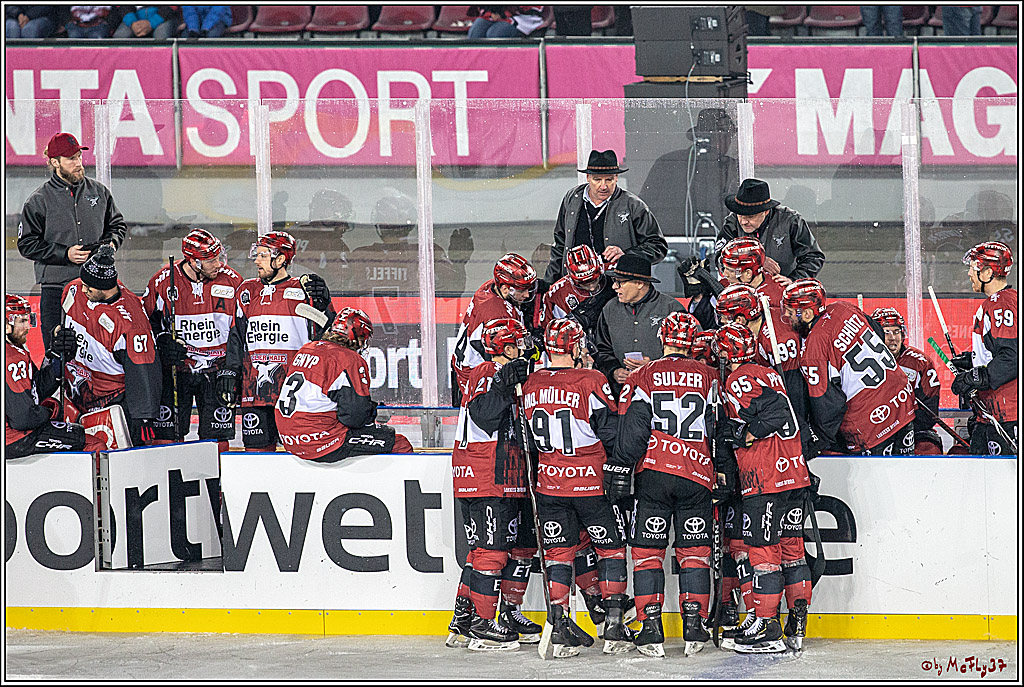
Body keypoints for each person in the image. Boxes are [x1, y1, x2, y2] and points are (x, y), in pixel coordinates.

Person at [607, 311, 730, 658]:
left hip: (654, 476)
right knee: (695, 555)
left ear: (663, 339)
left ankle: (650, 630)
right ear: (693, 343)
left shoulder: (644, 374)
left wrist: (620, 467)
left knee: (647, 557)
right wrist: (721, 470)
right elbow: (716, 427)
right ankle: (694, 629)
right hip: (697, 476)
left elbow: (634, 427)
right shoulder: (709, 376)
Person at [522, 318, 631, 657]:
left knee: (559, 554)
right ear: (572, 347)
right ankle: (613, 624)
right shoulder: (591, 379)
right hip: (591, 481)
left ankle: (560, 621)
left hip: (550, 483)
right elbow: (608, 429)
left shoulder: (531, 382)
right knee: (610, 549)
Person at [715, 323, 812, 653]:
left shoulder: (740, 377)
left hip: (766, 477)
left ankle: (768, 626)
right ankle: (796, 624)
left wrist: (746, 434)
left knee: (763, 552)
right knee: (791, 550)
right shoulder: (768, 371)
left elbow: (778, 412)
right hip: (793, 474)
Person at [447, 318, 540, 651]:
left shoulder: (503, 374)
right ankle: (483, 625)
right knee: (492, 551)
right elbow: (484, 416)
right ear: (508, 347)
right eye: (520, 343)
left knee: (520, 548)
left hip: (507, 475)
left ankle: (474, 614)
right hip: (488, 473)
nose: (527, 349)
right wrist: (503, 382)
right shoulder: (486, 372)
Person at [218, 231, 334, 452]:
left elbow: (328, 334)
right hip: (255, 392)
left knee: (300, 453)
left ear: (280, 259)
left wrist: (324, 304)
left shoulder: (304, 290)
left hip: (294, 391)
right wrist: (231, 371)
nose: (256, 260)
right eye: (256, 254)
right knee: (256, 454)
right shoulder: (246, 290)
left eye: (262, 255)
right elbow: (237, 336)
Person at [17, 132, 127, 351]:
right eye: (71, 159)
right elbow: (26, 243)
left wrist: (111, 244)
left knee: (102, 350)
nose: (78, 163)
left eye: (79, 157)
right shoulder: (38, 201)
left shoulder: (99, 192)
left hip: (98, 286)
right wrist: (64, 254)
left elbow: (117, 225)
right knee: (56, 352)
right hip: (57, 288)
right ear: (54, 162)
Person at [781, 278, 915, 456]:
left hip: (872, 422)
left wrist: (814, 441)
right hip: (902, 400)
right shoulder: (843, 307)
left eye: (791, 312)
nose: (788, 317)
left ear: (806, 314)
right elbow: (878, 331)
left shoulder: (814, 347)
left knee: (880, 483)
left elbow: (826, 404)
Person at [142, 229, 242, 451]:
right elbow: (145, 324)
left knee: (216, 439)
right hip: (177, 369)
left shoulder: (232, 281)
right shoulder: (162, 281)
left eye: (219, 257)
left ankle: (216, 484)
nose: (219, 264)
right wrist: (162, 340)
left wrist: (232, 368)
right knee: (167, 436)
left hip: (217, 369)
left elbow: (241, 328)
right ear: (195, 262)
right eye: (211, 260)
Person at [274, 308, 413, 462]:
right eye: (363, 338)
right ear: (358, 336)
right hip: (320, 441)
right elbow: (355, 417)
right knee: (399, 443)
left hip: (288, 440)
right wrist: (371, 411)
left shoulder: (307, 348)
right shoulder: (349, 359)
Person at [60, 247, 162, 447]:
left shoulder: (131, 323)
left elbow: (144, 371)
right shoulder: (73, 289)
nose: (82, 290)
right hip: (75, 395)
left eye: (88, 287)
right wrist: (57, 339)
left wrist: (143, 416)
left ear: (104, 287)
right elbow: (59, 325)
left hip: (111, 403)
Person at [5, 295, 106, 459]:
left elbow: (36, 389)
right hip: (15, 439)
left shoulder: (15, 351)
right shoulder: (12, 358)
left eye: (28, 320)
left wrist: (57, 360)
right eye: (21, 321)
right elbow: (23, 419)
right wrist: (49, 412)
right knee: (93, 444)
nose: (28, 327)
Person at [546, 150, 667, 284]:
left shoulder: (633, 205)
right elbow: (560, 245)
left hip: (615, 289)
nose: (603, 186)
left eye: (609, 179)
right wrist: (550, 283)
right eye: (597, 179)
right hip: (575, 287)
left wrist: (626, 255)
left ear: (616, 178)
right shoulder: (572, 198)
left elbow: (658, 247)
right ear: (588, 178)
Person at [950, 242, 1017, 455]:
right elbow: (998, 350)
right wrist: (973, 360)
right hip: (991, 413)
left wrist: (974, 377)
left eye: (974, 268)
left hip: (1006, 415)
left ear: (988, 272)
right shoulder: (1004, 301)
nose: (969, 273)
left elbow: (1011, 357)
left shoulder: (1000, 304)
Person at [342, 190, 472, 296]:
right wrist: (459, 263)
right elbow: (454, 290)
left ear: (377, 222)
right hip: (414, 324)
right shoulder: (427, 252)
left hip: (368, 326)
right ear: (411, 223)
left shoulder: (360, 255)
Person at [451, 253, 536, 406]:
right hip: (478, 378)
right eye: (522, 290)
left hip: (468, 368)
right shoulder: (498, 316)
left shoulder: (490, 287)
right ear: (505, 289)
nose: (527, 294)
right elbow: (505, 358)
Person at [592, 255, 685, 395]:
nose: (614, 287)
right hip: (621, 393)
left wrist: (655, 366)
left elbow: (688, 354)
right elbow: (602, 350)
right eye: (614, 281)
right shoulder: (609, 308)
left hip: (663, 393)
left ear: (639, 283)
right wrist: (613, 371)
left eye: (620, 282)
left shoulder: (671, 308)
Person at [714, 179, 825, 281]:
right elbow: (720, 258)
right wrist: (756, 261)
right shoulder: (732, 222)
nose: (743, 222)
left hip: (781, 291)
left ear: (766, 211)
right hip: (743, 292)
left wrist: (793, 280)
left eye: (750, 217)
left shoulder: (791, 221)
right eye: (740, 215)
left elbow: (813, 257)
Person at [872, 307, 943, 454]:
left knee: (928, 450)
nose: (892, 337)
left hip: (915, 430)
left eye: (896, 331)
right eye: (886, 332)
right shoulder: (864, 362)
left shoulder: (920, 362)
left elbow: (929, 413)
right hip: (874, 432)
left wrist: (903, 426)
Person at [537, 244, 613, 336]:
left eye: (594, 280)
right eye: (585, 284)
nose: (592, 287)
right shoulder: (556, 294)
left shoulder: (614, 270)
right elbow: (549, 331)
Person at [467, 6, 544, 37]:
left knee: (494, 34)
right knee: (476, 31)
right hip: (494, 14)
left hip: (523, 18)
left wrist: (502, 12)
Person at [112, 5, 180, 39]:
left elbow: (172, 6)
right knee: (120, 37)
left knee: (162, 36)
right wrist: (132, 22)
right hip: (134, 17)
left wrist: (152, 23)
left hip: (163, 17)